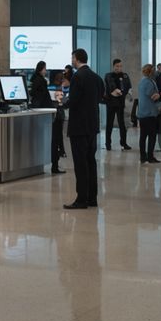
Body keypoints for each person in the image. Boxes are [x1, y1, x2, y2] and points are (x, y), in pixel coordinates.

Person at [63, 49, 103, 210]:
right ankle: (92, 198)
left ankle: (81, 199)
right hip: (92, 126)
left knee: (80, 164)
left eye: (72, 58)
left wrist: (62, 103)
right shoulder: (96, 77)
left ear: (77, 59)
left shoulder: (77, 77)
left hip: (79, 126)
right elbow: (101, 95)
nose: (72, 61)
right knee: (90, 162)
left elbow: (73, 100)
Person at [29, 61, 65, 174]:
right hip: (47, 112)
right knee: (55, 138)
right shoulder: (42, 82)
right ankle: (55, 165)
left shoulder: (34, 81)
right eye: (45, 69)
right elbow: (44, 97)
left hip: (39, 111)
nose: (45, 71)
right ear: (41, 69)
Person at [103, 59, 132, 151]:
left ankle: (123, 143)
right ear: (113, 66)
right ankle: (108, 144)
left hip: (120, 103)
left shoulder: (125, 75)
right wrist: (117, 91)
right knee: (109, 124)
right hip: (111, 103)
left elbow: (128, 87)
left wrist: (122, 92)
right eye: (117, 66)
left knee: (122, 124)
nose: (119, 68)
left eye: (120, 66)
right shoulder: (109, 75)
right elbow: (112, 87)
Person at [137, 64, 161, 164]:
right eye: (154, 70)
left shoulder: (142, 81)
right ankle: (150, 157)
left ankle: (143, 157)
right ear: (150, 71)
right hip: (149, 113)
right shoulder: (148, 82)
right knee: (152, 136)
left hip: (142, 113)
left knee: (143, 136)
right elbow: (153, 96)